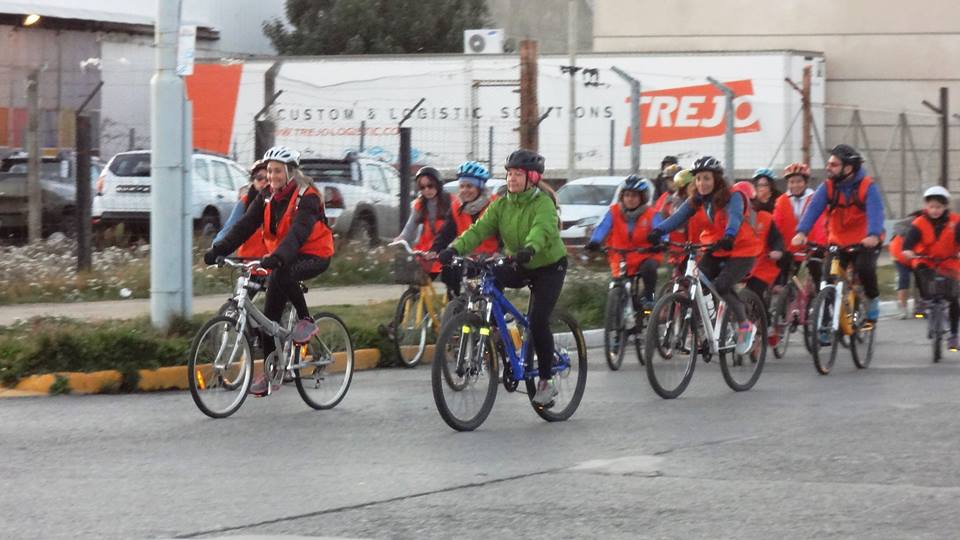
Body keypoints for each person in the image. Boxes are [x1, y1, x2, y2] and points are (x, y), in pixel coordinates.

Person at [438, 149, 567, 408]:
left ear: (531, 177)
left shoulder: (543, 203)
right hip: (519, 262)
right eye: (509, 174)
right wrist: (455, 248)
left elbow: (542, 229)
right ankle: (501, 334)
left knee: (539, 321)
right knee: (486, 282)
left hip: (548, 266)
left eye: (518, 174)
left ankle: (546, 380)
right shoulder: (501, 204)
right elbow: (478, 230)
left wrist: (529, 248)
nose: (512, 179)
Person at [203, 146, 334, 395]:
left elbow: (297, 234)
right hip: (282, 257)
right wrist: (219, 249)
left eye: (277, 171)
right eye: (269, 171)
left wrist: (276, 258)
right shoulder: (265, 196)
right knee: (268, 323)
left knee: (283, 274)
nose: (272, 176)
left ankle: (306, 319)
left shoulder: (308, 196)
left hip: (314, 254)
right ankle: (272, 371)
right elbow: (244, 226)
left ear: (290, 172)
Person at [648, 156, 762, 354]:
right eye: (698, 179)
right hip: (715, 248)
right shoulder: (697, 199)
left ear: (716, 179)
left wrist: (729, 235)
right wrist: (658, 231)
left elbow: (734, 218)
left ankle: (745, 325)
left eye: (707, 178)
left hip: (742, 249)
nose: (702, 183)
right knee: (698, 281)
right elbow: (677, 218)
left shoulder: (732, 196)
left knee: (722, 285)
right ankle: (717, 328)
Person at [792, 144, 885, 324]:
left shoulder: (867, 186)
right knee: (826, 280)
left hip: (865, 241)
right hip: (838, 241)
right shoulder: (827, 187)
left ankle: (872, 300)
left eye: (833, 164)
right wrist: (802, 232)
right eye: (829, 163)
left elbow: (876, 212)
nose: (828, 167)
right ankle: (825, 323)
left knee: (865, 269)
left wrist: (873, 235)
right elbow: (813, 209)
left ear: (848, 168)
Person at [585, 175, 662, 309]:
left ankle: (649, 298)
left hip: (645, 255)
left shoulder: (651, 213)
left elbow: (661, 229)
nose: (630, 199)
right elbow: (603, 226)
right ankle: (618, 315)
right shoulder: (614, 211)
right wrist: (595, 242)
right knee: (619, 284)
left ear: (642, 197)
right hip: (620, 256)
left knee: (649, 269)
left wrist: (661, 242)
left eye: (634, 196)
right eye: (627, 195)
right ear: (622, 196)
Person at [900, 186, 960, 350]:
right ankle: (925, 300)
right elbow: (909, 241)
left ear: (945, 207)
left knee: (953, 298)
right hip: (926, 261)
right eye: (931, 206)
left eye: (938, 207)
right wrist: (907, 250)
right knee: (921, 273)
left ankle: (954, 335)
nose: (934, 210)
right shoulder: (919, 223)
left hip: (949, 263)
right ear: (926, 206)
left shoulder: (955, 222)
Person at [430, 161, 499, 297]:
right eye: (461, 186)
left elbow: (504, 234)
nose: (464, 190)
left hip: (490, 260)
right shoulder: (456, 207)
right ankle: (456, 307)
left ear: (479, 187)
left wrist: (500, 252)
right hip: (468, 258)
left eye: (469, 186)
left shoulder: (494, 205)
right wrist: (435, 251)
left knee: (484, 297)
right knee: (451, 275)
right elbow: (445, 233)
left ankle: (492, 316)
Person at [773, 162, 826, 288]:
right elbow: (776, 224)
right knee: (782, 276)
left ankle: (820, 301)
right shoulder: (782, 201)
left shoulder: (815, 198)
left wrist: (820, 244)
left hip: (812, 245)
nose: (795, 185)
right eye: (791, 182)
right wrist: (776, 245)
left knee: (816, 270)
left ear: (805, 182)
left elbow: (821, 223)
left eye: (799, 181)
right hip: (790, 247)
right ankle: (782, 303)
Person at [396, 166, 452, 276]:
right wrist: (401, 238)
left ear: (438, 184)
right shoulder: (420, 204)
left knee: (451, 283)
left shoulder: (451, 201)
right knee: (420, 284)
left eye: (430, 186)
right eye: (422, 187)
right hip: (427, 252)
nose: (427, 190)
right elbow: (410, 226)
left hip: (448, 249)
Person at [735, 181, 784, 306]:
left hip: (761, 265)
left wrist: (777, 250)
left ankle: (762, 319)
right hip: (737, 265)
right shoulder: (729, 220)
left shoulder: (765, 218)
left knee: (753, 291)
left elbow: (777, 238)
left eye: (748, 202)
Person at [212, 160, 269, 259]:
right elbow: (229, 227)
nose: (264, 182)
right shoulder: (245, 202)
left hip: (270, 262)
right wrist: (216, 249)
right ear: (253, 181)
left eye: (267, 178)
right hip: (247, 261)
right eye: (259, 178)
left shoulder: (277, 201)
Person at [655, 168, 696, 267]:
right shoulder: (668, 200)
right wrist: (660, 236)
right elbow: (661, 219)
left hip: (697, 247)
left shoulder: (701, 201)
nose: (672, 183)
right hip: (675, 246)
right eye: (669, 180)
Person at [888, 210, 923, 319]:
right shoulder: (914, 220)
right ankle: (902, 308)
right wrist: (910, 235)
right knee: (904, 278)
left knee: (921, 280)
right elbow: (897, 226)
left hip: (917, 256)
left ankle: (919, 309)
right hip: (900, 255)